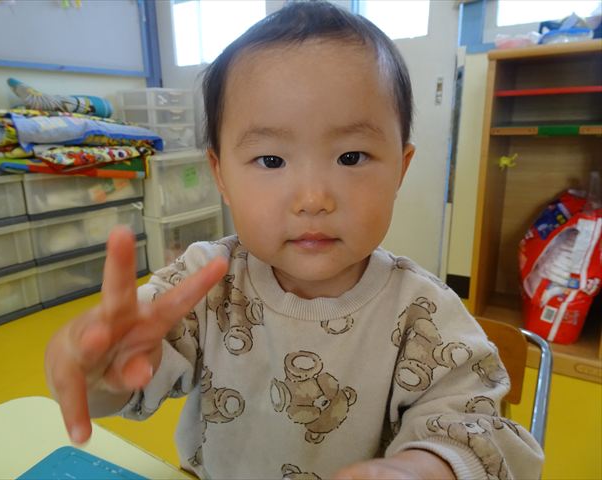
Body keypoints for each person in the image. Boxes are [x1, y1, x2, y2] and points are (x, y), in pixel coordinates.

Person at [45, 2, 544, 479]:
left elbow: (482, 434)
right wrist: (96, 374)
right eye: (271, 160)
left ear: (400, 168)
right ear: (221, 174)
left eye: (350, 157)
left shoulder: (424, 316)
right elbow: (125, 384)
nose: (312, 199)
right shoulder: (204, 285)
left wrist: (423, 468)